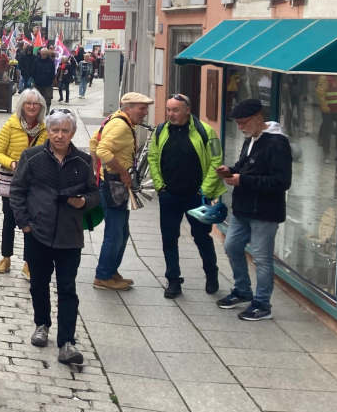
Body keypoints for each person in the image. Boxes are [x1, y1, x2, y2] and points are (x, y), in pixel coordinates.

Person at [10, 109, 98, 369]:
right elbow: (17, 191)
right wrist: (25, 224)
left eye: (65, 131)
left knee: (67, 289)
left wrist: (83, 202)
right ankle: (42, 324)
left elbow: (94, 194)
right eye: (55, 130)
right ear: (48, 132)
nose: (60, 135)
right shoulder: (32, 156)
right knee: (38, 283)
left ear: (73, 133)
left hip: (70, 236)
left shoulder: (83, 161)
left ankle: (67, 341)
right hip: (38, 232)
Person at [216, 99, 292, 321]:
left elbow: (281, 182)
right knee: (231, 246)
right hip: (243, 208)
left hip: (265, 212)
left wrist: (243, 180)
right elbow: (245, 166)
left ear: (258, 119)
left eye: (242, 123)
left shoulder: (277, 143)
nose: (239, 127)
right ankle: (242, 290)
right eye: (237, 123)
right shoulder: (252, 138)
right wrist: (230, 170)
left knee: (261, 257)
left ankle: (262, 304)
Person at [147, 94, 225, 299]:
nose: (171, 114)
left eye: (175, 110)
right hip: (169, 195)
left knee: (202, 237)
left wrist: (205, 190)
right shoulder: (161, 131)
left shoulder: (205, 132)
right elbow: (152, 157)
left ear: (187, 110)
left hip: (196, 196)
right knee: (169, 239)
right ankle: (173, 281)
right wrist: (159, 186)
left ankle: (211, 274)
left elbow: (217, 160)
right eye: (168, 110)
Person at [90, 92, 154, 291]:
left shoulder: (115, 119)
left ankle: (111, 271)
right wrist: (122, 173)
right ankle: (102, 276)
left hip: (110, 182)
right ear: (128, 108)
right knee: (115, 233)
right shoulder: (121, 126)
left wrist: (97, 170)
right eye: (141, 108)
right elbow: (102, 150)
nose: (145, 113)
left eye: (146, 108)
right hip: (114, 184)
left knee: (122, 232)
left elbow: (94, 141)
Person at [0, 89, 48, 277]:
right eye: (28, 103)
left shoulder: (44, 128)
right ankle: (6, 258)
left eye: (35, 104)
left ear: (41, 106)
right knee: (9, 220)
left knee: (31, 222)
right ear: (22, 106)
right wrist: (12, 163)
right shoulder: (11, 125)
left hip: (34, 183)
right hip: (11, 180)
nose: (32, 107)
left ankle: (29, 262)